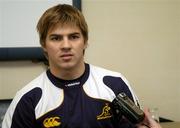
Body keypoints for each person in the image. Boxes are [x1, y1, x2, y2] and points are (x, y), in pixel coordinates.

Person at [2, 4, 161, 128]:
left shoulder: (115, 84)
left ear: (85, 41)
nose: (66, 45)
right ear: (44, 44)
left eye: (73, 37)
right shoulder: (27, 99)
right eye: (56, 38)